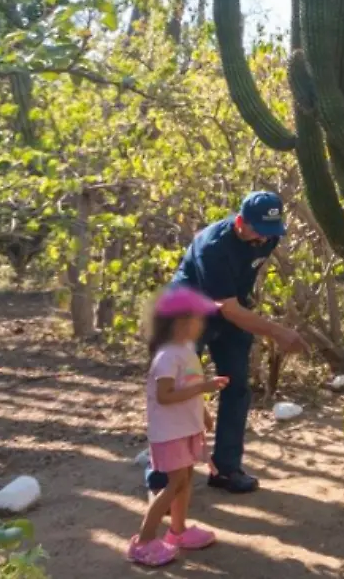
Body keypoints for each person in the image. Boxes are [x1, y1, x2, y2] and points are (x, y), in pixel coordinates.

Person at [167, 191, 306, 494]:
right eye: (258, 231)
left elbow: (232, 304)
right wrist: (278, 332)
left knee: (237, 386)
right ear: (240, 221)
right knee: (180, 390)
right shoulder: (213, 248)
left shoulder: (268, 237)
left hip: (229, 311)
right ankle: (164, 478)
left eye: (270, 232)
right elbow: (227, 308)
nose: (263, 240)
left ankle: (226, 469)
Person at [131, 285, 228, 566]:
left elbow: (190, 387)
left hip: (185, 429)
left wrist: (204, 414)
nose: (202, 325)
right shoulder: (166, 357)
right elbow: (165, 396)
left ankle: (178, 531)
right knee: (174, 484)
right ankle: (144, 541)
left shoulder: (185, 350)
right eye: (198, 319)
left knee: (185, 481)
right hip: (169, 433)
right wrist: (206, 388)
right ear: (180, 322)